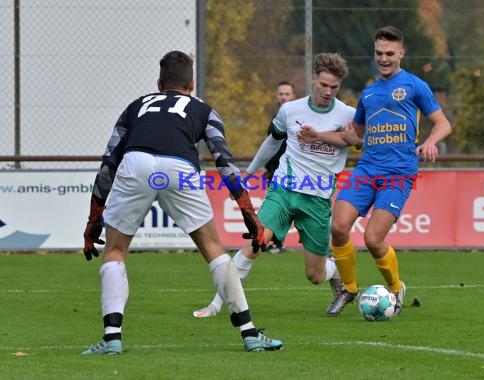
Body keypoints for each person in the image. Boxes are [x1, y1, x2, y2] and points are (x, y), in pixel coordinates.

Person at [81, 51, 283, 354]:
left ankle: (112, 338)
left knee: (115, 250)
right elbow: (223, 160)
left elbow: (110, 160)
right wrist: (247, 210)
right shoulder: (204, 109)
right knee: (213, 248)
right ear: (191, 83)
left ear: (159, 83)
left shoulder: (135, 107)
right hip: (180, 168)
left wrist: (92, 218)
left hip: (136, 163)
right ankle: (249, 333)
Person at [299, 26, 452, 316]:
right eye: (379, 53)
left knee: (372, 239)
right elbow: (352, 137)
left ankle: (395, 288)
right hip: (367, 169)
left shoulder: (415, 86)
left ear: (401, 54)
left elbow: (443, 123)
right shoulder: (368, 93)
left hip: (399, 174)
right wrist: (317, 135)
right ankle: (349, 288)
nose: (384, 59)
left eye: (390, 54)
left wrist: (431, 142)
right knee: (338, 226)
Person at [192, 53, 357, 318]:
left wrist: (326, 136)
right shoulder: (291, 110)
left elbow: (357, 141)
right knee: (255, 243)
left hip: (317, 198)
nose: (328, 92)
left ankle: (334, 269)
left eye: (334, 87)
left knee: (315, 275)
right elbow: (273, 140)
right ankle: (216, 304)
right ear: (313, 79)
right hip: (283, 189)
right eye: (323, 84)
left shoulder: (348, 114)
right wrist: (253, 169)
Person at [263, 80, 296, 253]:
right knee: (275, 207)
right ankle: (274, 242)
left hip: (294, 170)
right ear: (277, 96)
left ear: (293, 96)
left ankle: (278, 242)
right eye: (281, 94)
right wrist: (268, 167)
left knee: (291, 207)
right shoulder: (276, 117)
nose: (284, 97)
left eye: (287, 94)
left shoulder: (298, 118)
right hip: (276, 169)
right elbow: (271, 146)